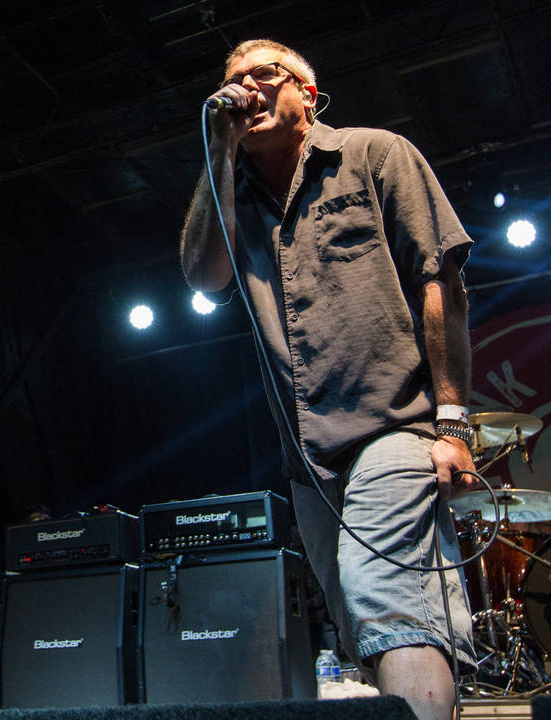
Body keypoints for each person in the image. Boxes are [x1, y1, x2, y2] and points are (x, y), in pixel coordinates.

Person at [179, 39, 477, 720]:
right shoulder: (235, 200)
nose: (246, 91)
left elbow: (443, 284)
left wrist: (453, 421)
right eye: (233, 84)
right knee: (367, 625)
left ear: (306, 97)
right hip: (308, 458)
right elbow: (202, 277)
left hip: (393, 426)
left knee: (388, 598)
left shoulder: (374, 154)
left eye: (264, 77)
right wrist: (216, 152)